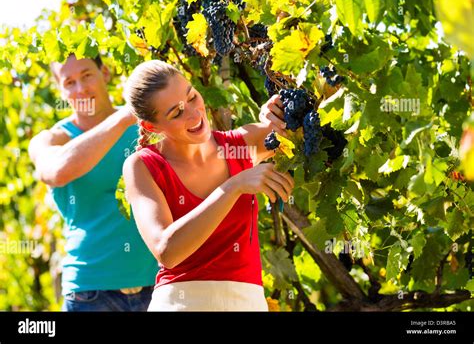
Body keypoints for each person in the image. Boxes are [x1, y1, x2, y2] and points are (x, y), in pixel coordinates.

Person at [122, 60, 294, 311]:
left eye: (192, 97)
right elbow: (167, 251)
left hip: (248, 304)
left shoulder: (238, 146)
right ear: (152, 127)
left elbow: (301, 124)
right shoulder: (144, 165)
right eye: (176, 113)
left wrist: (277, 111)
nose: (194, 114)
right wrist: (233, 186)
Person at [28, 54, 158, 311]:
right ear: (61, 90)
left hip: (158, 284)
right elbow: (55, 172)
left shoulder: (143, 124)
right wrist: (120, 119)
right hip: (90, 294)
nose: (80, 89)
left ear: (105, 73)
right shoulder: (50, 140)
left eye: (87, 75)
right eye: (69, 82)